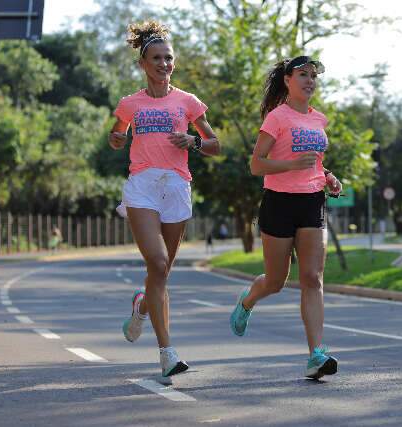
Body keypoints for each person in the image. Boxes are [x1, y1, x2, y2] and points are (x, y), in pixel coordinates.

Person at [108, 21, 220, 379]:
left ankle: (142, 306)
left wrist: (195, 142)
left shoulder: (187, 102)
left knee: (161, 273)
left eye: (168, 58)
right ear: (143, 63)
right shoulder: (130, 103)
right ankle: (167, 352)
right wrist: (116, 139)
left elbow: (215, 144)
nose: (163, 64)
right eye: (156, 58)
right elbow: (117, 135)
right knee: (157, 263)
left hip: (176, 187)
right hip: (142, 186)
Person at [229, 56, 343, 380]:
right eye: (303, 75)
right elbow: (256, 165)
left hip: (312, 202)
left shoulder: (320, 119)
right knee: (276, 280)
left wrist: (329, 177)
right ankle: (248, 301)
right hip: (279, 203)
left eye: (313, 76)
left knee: (312, 277)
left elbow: (315, 163)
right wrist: (292, 166)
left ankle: (316, 355)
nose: (309, 80)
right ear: (288, 81)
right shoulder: (277, 118)